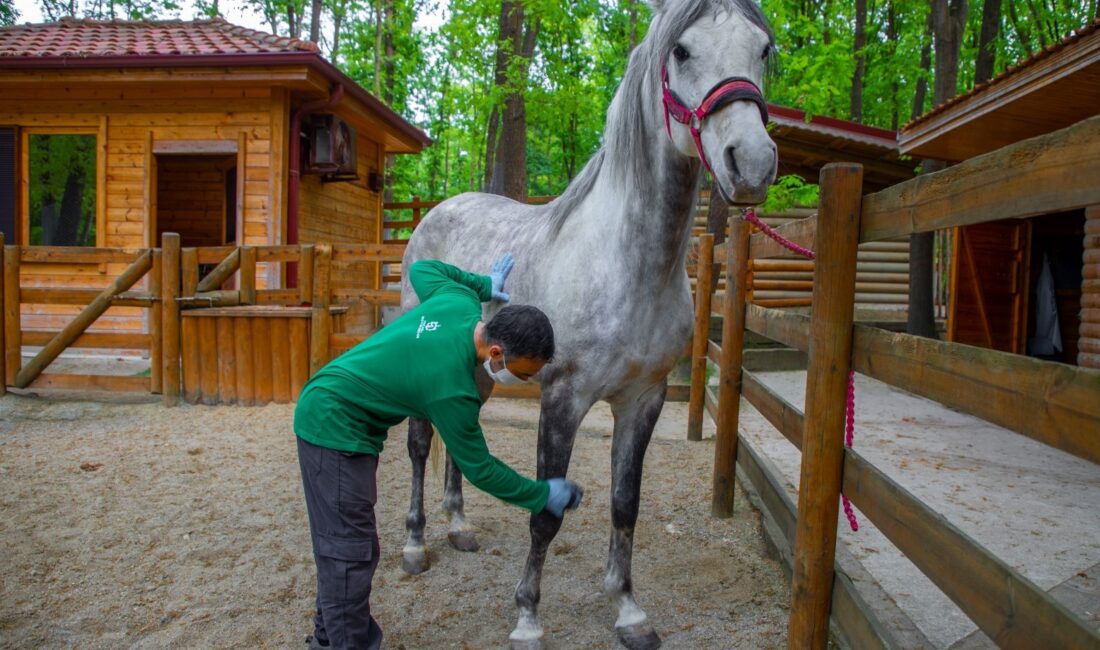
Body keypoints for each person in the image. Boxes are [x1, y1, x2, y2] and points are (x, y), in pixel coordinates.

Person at [294, 254, 585, 650]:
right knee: (350, 551)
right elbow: (480, 468)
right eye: (524, 372)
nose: (526, 380)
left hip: (341, 412)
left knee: (347, 543)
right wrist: (541, 494)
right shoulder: (453, 391)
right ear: (496, 352)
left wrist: (482, 283)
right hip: (334, 425)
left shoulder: (460, 302)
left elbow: (423, 269)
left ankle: (327, 637)